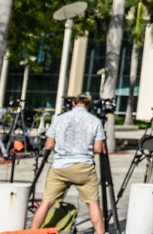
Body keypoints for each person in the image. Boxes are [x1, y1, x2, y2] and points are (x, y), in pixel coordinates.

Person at [31, 93, 106, 234]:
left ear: (73, 103)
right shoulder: (95, 121)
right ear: (89, 105)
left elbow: (48, 145)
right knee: (93, 203)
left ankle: (32, 232)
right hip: (83, 166)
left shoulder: (59, 119)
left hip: (60, 166)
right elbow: (97, 149)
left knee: (46, 202)